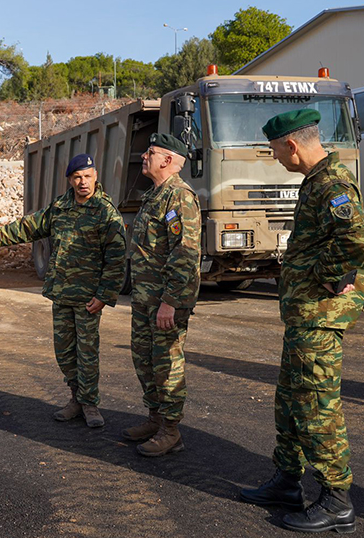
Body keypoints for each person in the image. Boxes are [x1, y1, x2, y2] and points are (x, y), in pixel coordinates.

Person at [240, 109, 364, 534]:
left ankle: (336, 499)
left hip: (319, 316)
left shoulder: (332, 184)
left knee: (317, 406)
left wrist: (327, 277)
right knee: (290, 402)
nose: (276, 157)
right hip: (304, 316)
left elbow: (355, 239)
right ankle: (287, 481)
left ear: (292, 145)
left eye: (276, 150)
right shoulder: (315, 183)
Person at [0, 154, 125, 427]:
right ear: (70, 180)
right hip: (62, 293)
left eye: (87, 176)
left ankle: (90, 404)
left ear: (96, 176)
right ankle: (76, 398)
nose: (83, 182)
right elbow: (27, 228)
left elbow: (117, 257)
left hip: (88, 298)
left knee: (87, 353)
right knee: (64, 352)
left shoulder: (105, 212)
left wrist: (104, 295)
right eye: (77, 177)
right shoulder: (60, 208)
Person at [122, 133, 201, 457]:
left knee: (167, 364)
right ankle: (155, 418)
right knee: (144, 360)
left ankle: (171, 430)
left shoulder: (180, 197)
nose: (144, 156)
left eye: (151, 152)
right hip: (145, 298)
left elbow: (185, 254)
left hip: (165, 302)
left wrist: (169, 301)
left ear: (168, 160)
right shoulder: (155, 195)